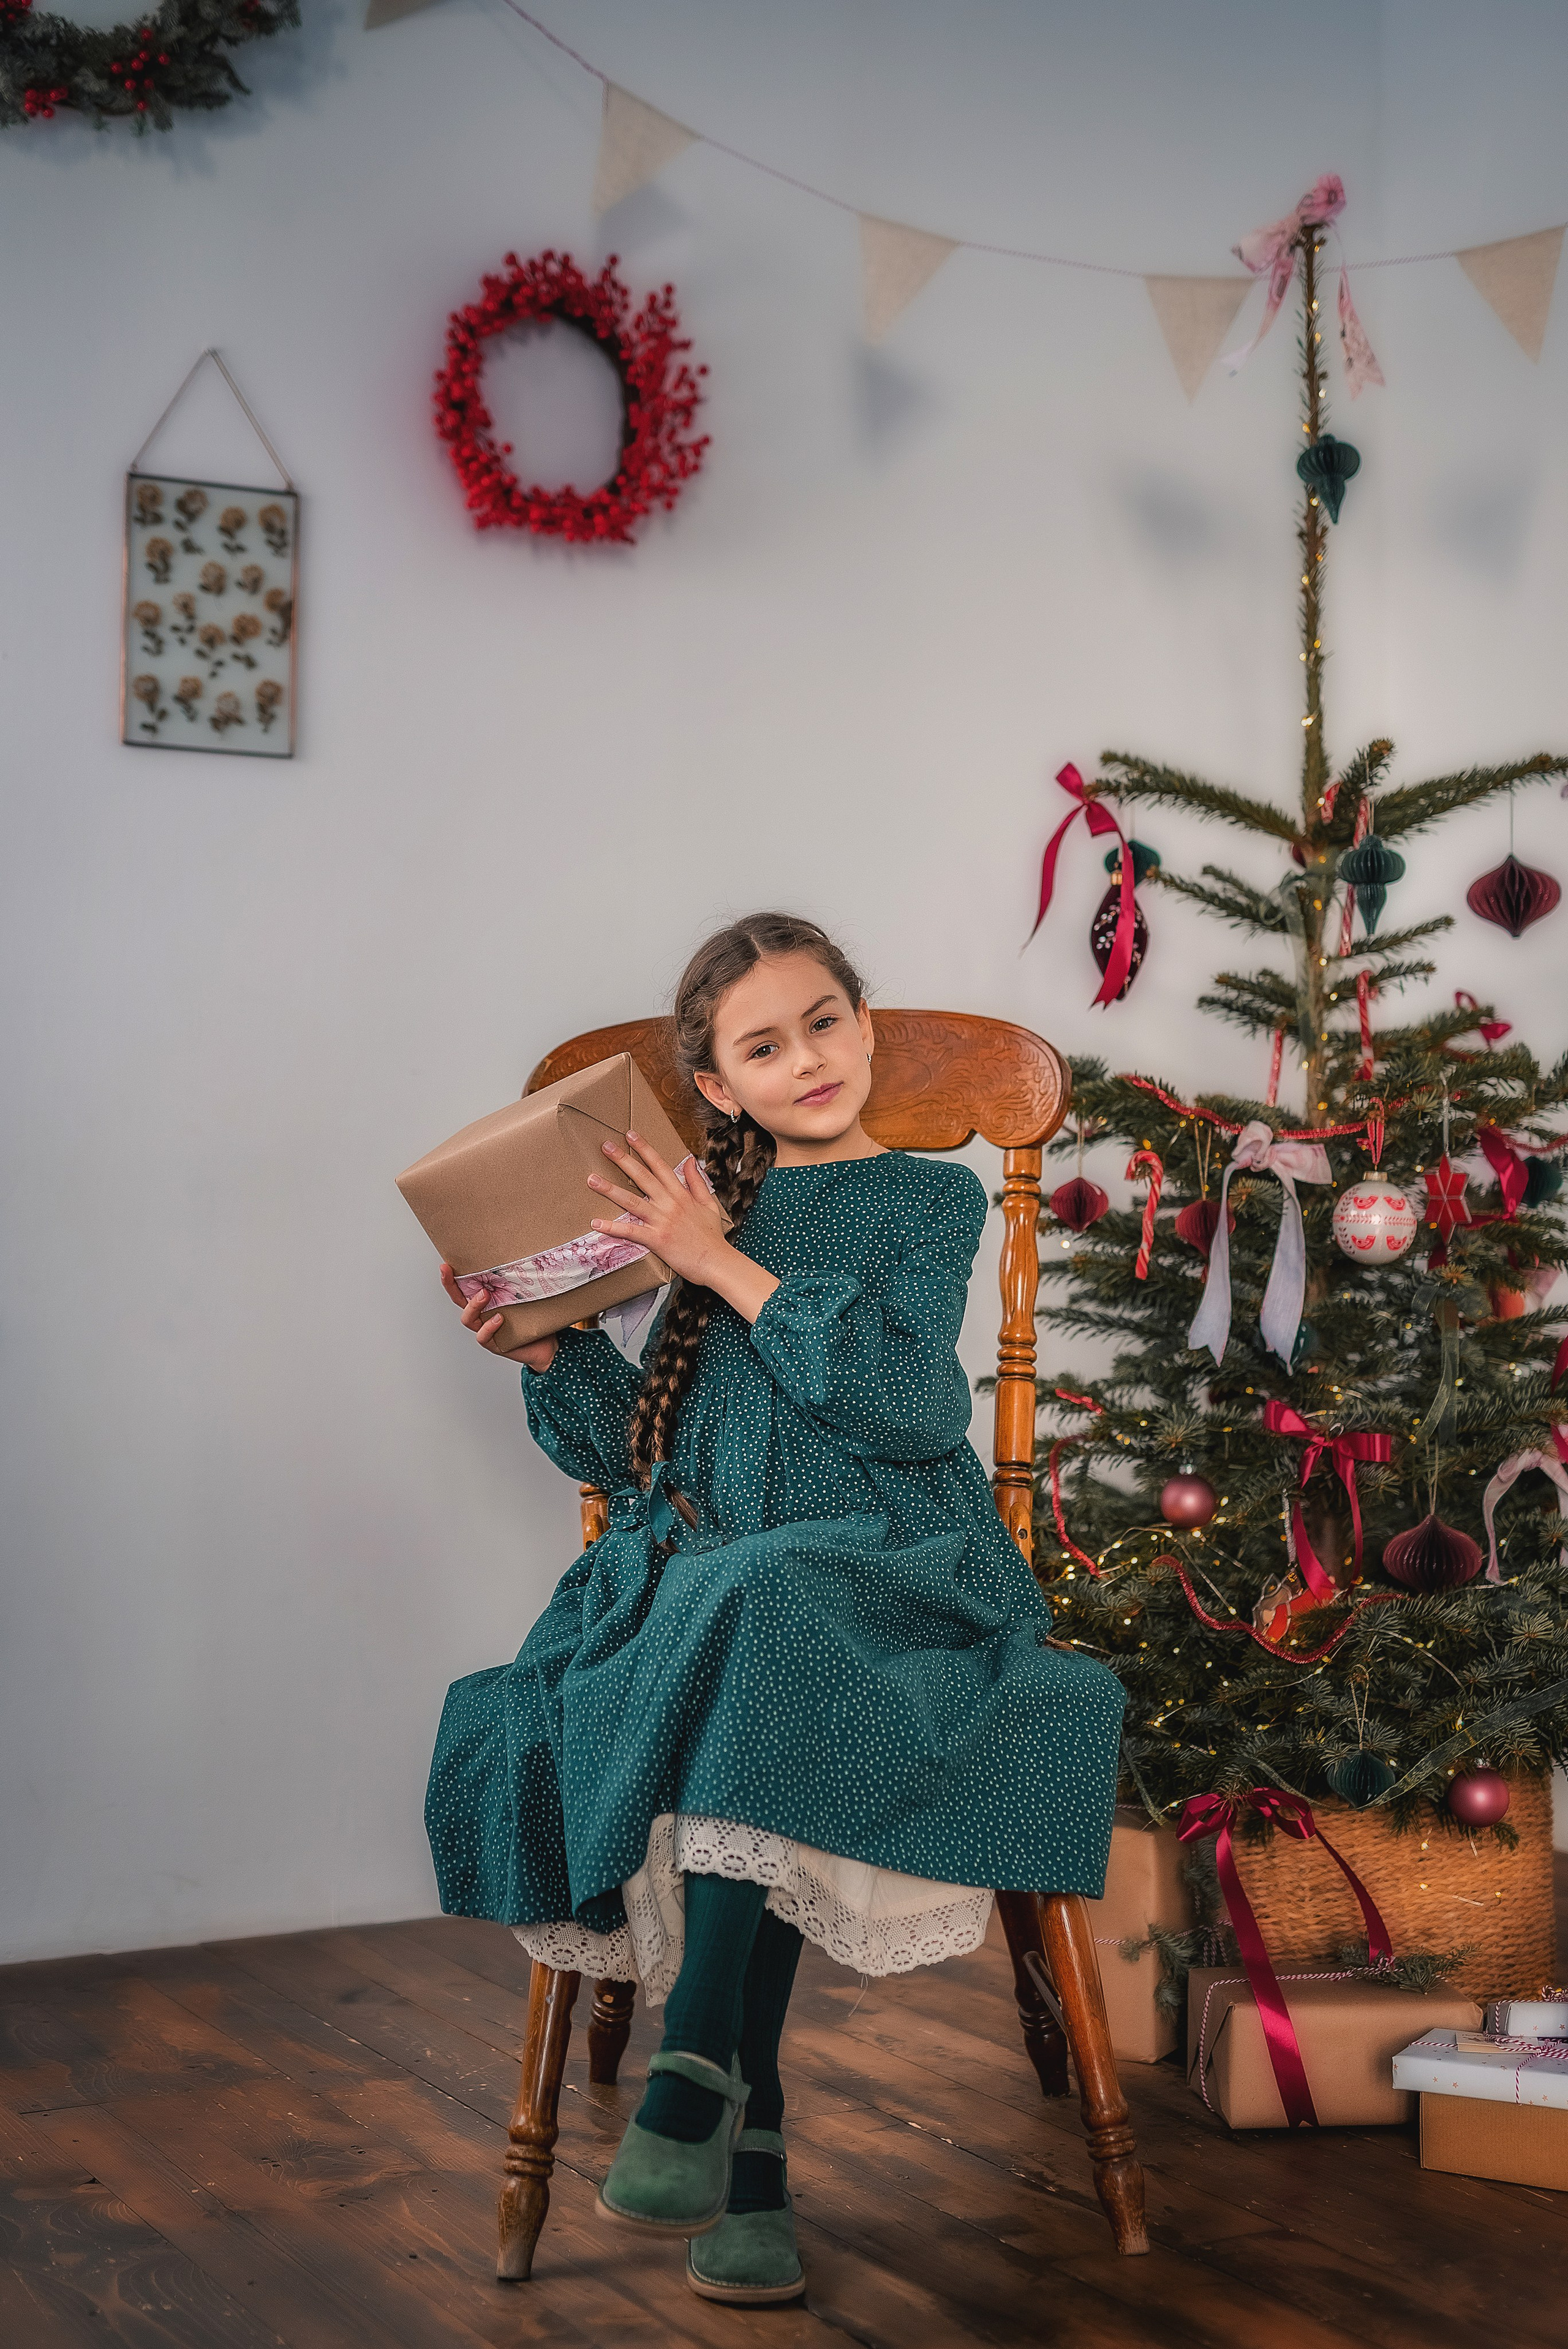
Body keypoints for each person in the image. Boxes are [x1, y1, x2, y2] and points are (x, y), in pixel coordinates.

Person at [425, 910, 1125, 2307]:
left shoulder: (928, 1201)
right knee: (742, 1594)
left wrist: (721, 1263)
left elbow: (904, 1404)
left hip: (900, 1567)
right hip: (722, 1575)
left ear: (862, 1027)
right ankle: (738, 2139)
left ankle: (712, 2095)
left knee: (767, 1588)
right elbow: (635, 1456)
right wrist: (553, 1345)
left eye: (822, 1021)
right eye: (762, 1045)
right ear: (722, 1087)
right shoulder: (689, 1208)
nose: (804, 1057)